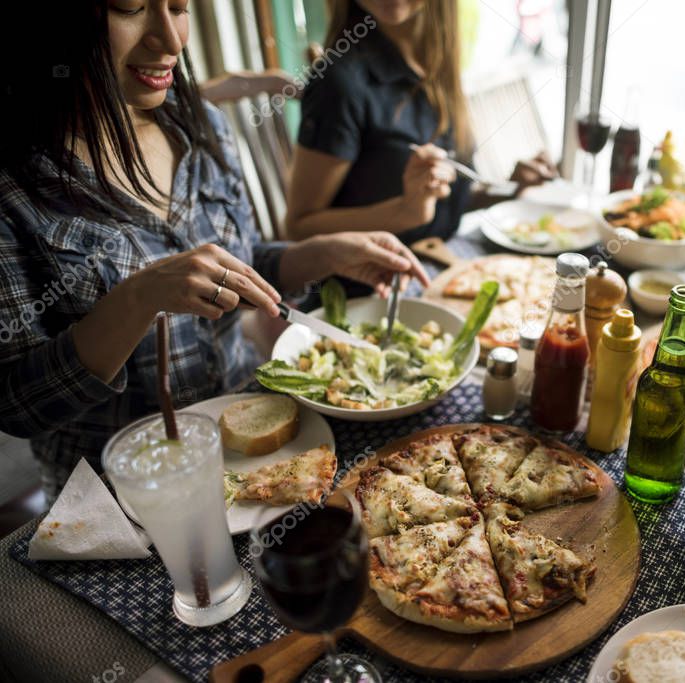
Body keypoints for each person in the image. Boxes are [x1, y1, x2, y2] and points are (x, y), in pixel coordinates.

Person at [0, 0, 428, 501]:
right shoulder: (15, 186)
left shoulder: (200, 125)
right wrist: (138, 299)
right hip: (119, 503)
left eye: (179, 7)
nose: (172, 39)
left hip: (264, 453)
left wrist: (315, 255)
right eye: (131, 8)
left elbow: (229, 267)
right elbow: (17, 405)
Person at [285, 0, 558, 245]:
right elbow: (298, 227)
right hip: (372, 288)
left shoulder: (438, 65)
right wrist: (403, 213)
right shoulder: (338, 84)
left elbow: (445, 203)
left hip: (440, 255)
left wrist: (509, 188)